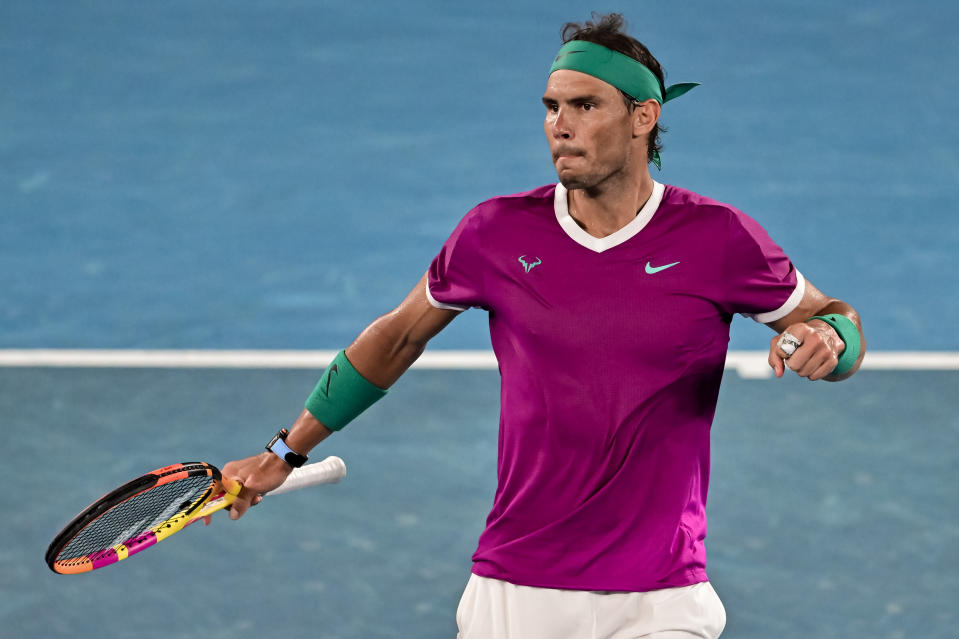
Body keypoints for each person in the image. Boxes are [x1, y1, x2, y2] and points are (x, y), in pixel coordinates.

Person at [221, 13, 865, 639]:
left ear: (645, 116)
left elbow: (833, 320)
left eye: (586, 106)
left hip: (663, 595)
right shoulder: (494, 234)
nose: (562, 126)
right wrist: (285, 450)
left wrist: (830, 342)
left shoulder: (717, 238)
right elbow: (397, 337)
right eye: (553, 107)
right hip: (517, 589)